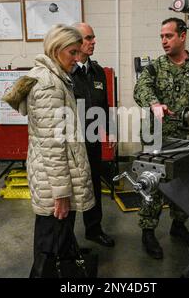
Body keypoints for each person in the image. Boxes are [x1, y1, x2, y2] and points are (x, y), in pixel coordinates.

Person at [2, 24, 95, 278]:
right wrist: (61, 193)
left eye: (78, 52)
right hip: (54, 180)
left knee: (57, 237)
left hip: (54, 177)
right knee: (49, 244)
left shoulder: (54, 78)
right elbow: (53, 145)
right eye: (72, 52)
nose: (77, 60)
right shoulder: (48, 85)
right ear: (56, 49)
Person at [134, 18, 189, 259]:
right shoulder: (155, 67)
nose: (163, 41)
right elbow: (141, 89)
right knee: (153, 184)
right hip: (159, 138)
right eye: (161, 36)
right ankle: (148, 231)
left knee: (187, 183)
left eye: (168, 36)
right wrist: (154, 103)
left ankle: (178, 225)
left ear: (183, 36)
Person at [70, 22, 115, 247]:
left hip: (93, 139)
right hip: (70, 142)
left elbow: (104, 105)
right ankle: (66, 236)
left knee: (94, 185)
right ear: (76, 42)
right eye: (88, 38)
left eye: (93, 37)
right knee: (70, 188)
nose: (93, 41)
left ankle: (94, 229)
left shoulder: (98, 71)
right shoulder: (65, 71)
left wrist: (110, 130)